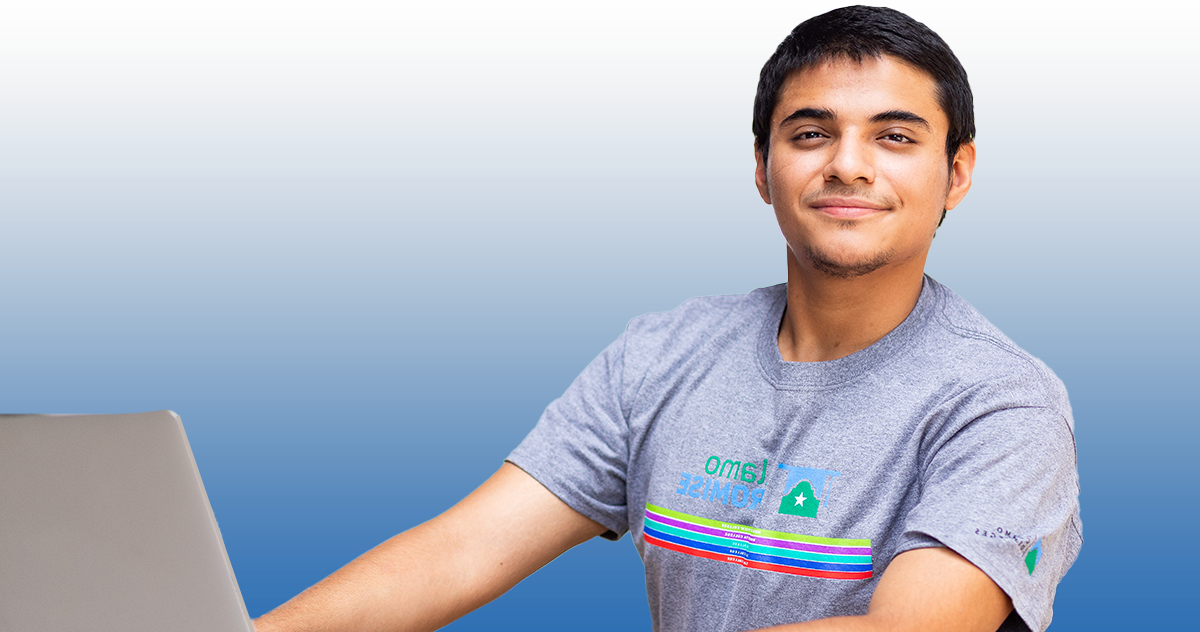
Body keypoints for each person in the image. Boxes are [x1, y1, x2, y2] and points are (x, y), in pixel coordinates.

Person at [254, 6, 1081, 632]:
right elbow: (462, 550)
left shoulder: (1002, 401)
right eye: (810, 133)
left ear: (957, 172)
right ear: (763, 168)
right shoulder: (663, 353)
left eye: (895, 136)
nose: (848, 166)